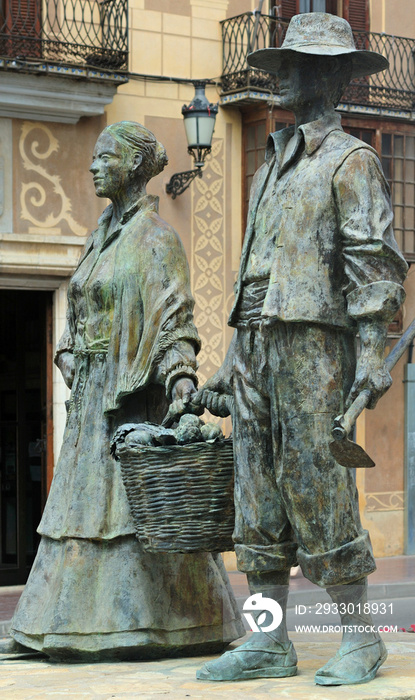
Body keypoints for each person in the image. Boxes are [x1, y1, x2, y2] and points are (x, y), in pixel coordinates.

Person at [195, 13, 407, 686]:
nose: (277, 76)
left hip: (314, 343)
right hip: (255, 342)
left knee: (317, 490)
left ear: (325, 76)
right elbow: (252, 267)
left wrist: (371, 363)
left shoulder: (352, 160)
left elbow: (373, 271)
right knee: (255, 491)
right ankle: (268, 641)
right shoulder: (269, 168)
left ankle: (359, 638)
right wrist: (233, 358)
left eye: (290, 66)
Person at [7, 121, 244, 661]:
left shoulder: (157, 240)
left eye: (105, 157)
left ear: (134, 166)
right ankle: (60, 626)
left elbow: (175, 325)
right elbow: (83, 303)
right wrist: (67, 348)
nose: (92, 165)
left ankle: (166, 626)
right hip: (91, 401)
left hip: (133, 402)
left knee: (134, 513)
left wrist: (181, 382)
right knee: (80, 510)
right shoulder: (98, 236)